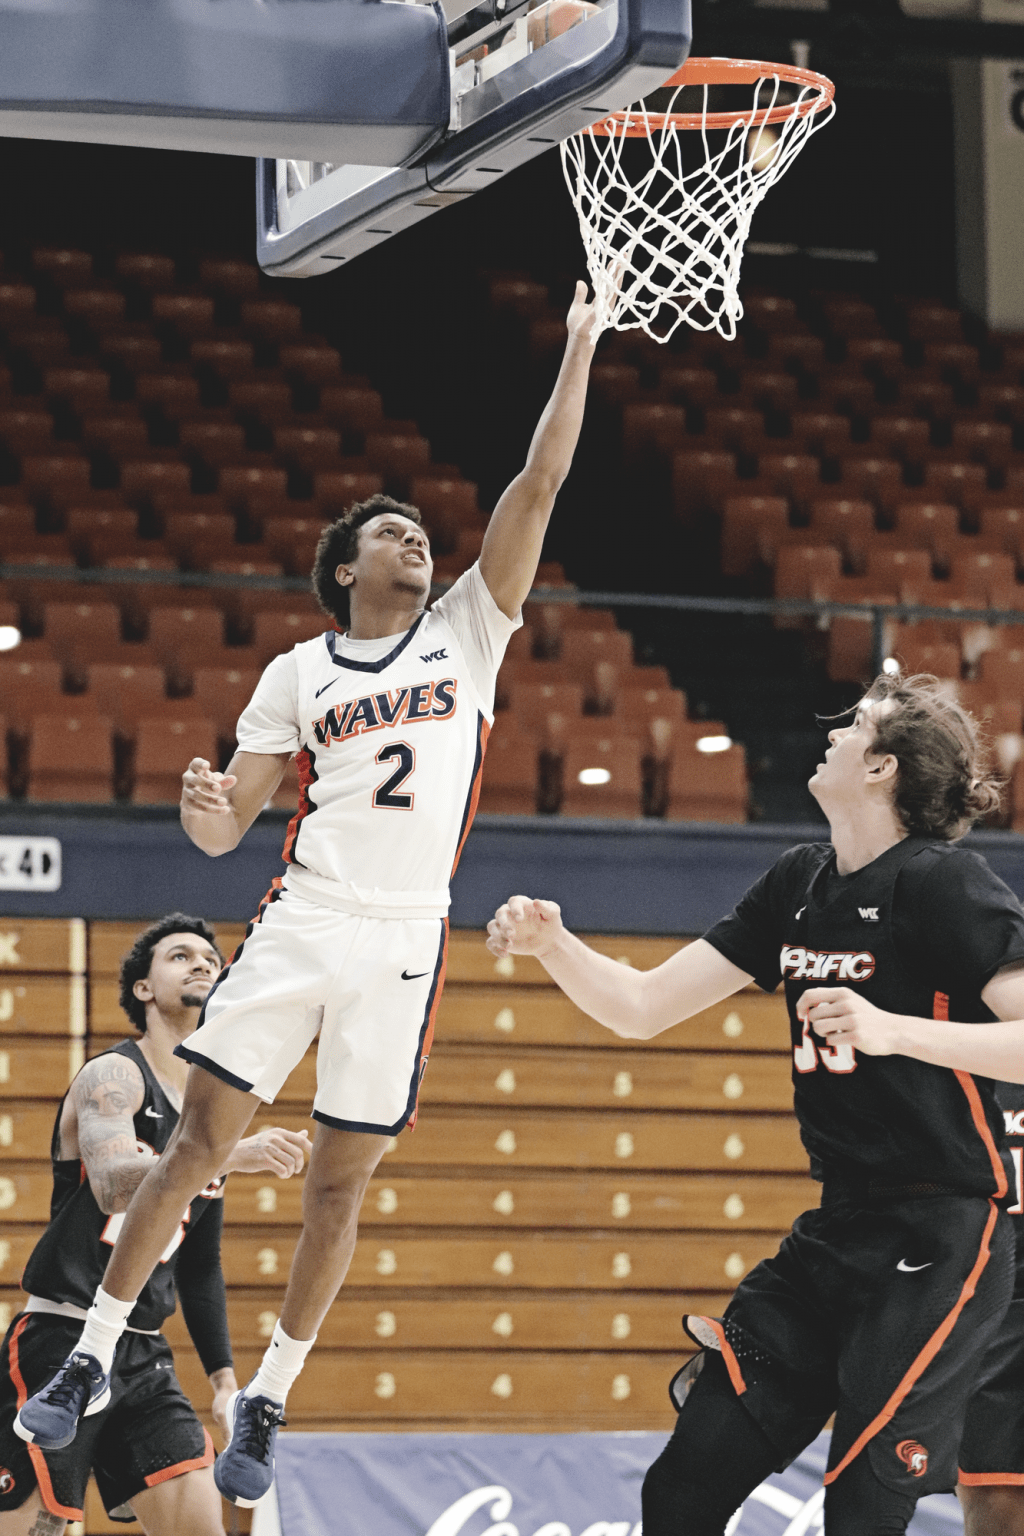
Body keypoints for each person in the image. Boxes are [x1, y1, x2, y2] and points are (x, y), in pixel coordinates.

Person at [17, 280, 600, 1507]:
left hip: (402, 938)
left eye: (419, 535)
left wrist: (579, 348)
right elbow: (230, 825)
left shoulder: (469, 633)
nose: (416, 543)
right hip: (305, 918)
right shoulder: (297, 668)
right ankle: (86, 1355)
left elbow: (535, 488)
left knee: (342, 1178)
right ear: (343, 568)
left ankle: (272, 1392)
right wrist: (200, 808)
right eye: (389, 534)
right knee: (195, 1149)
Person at [486, 673, 1024, 1536]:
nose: (834, 733)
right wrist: (556, 947)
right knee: (683, 1487)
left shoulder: (942, 884)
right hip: (836, 1232)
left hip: (943, 1238)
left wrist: (894, 1031)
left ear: (883, 765)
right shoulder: (798, 883)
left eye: (855, 726)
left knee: (862, 1508)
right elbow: (641, 1007)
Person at [2, 914, 308, 1536]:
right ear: (143, 988)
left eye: (210, 958)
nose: (201, 963)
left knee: (199, 1522)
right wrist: (235, 1155)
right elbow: (116, 1180)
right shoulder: (113, 1076)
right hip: (62, 1338)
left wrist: (226, 1383)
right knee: (43, 1528)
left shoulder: (212, 1111)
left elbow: (200, 1267)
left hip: (144, 1352)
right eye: (179, 955)